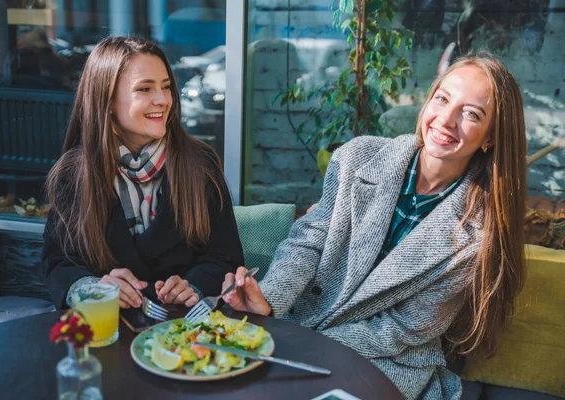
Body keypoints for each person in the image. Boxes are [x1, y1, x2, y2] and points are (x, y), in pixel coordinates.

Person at [222, 53, 527, 400]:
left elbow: (405, 328)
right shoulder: (358, 157)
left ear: (489, 138)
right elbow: (308, 241)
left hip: (385, 357)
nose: (446, 119)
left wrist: (307, 343)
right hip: (297, 322)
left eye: (471, 114)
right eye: (443, 98)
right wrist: (270, 298)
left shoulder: (479, 235)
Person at [42, 36, 244, 311]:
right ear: (108, 101)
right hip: (108, 323)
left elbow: (225, 256)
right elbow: (59, 263)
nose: (163, 100)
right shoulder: (74, 173)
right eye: (145, 89)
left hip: (181, 329)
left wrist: (192, 286)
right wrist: (93, 287)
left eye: (166, 87)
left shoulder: (200, 162)